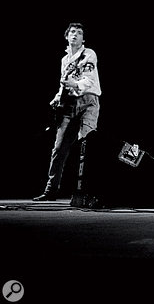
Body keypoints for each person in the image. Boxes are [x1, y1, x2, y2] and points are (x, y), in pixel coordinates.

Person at [33, 22, 102, 201]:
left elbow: (89, 80)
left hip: (88, 101)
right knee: (59, 148)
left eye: (79, 33)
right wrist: (57, 97)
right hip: (69, 104)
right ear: (66, 36)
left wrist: (75, 85)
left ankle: (88, 191)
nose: (75, 35)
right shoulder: (65, 60)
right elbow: (63, 84)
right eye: (72, 32)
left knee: (87, 145)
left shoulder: (89, 54)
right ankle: (51, 190)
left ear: (83, 38)